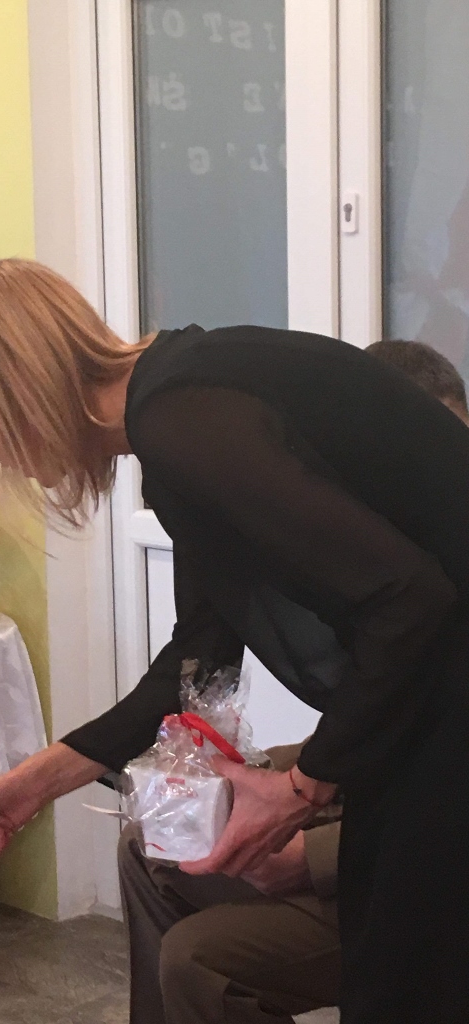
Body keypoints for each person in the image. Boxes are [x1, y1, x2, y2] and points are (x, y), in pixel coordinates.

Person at [0, 258, 469, 1024]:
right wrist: (25, 790)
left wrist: (303, 786)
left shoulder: (184, 420)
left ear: (14, 386)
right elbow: (196, 659)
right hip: (429, 706)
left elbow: (411, 598)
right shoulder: (179, 404)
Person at [116, 337, 469, 1024]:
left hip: (423, 853)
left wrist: (313, 847)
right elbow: (375, 715)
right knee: (152, 838)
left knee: (195, 958)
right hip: (381, 775)